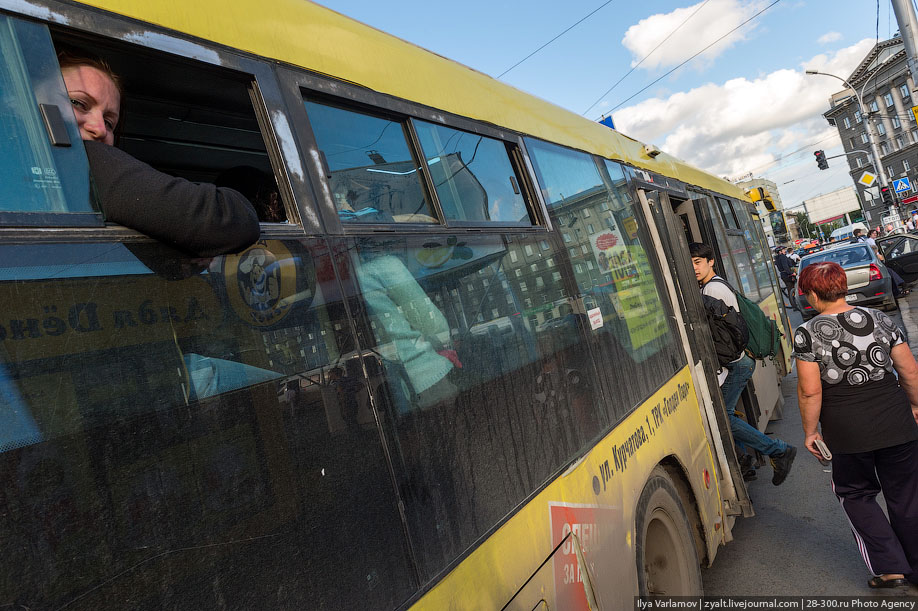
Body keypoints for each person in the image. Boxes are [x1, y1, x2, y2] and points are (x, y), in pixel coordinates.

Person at [58, 51, 260, 257]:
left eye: (110, 123)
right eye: (79, 103)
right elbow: (232, 221)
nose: (100, 129)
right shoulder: (81, 164)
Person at [793, 261, 918, 589]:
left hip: (846, 430)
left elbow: (810, 390)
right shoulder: (879, 319)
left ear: (814, 295)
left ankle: (890, 567)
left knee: (855, 494)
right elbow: (909, 371)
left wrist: (810, 432)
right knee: (907, 496)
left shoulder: (808, 333)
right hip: (897, 421)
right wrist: (916, 405)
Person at [689, 242, 797, 485]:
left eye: (698, 262)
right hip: (738, 362)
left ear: (710, 261)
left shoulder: (711, 291)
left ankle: (778, 450)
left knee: (724, 418)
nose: (694, 267)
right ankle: (744, 464)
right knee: (728, 413)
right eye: (690, 263)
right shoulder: (712, 286)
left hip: (735, 364)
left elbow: (721, 338)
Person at [773, 246, 798, 310]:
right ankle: (796, 304)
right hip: (788, 274)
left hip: (783, 275)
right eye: (783, 250)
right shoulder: (783, 256)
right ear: (780, 252)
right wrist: (791, 273)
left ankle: (794, 305)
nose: (785, 250)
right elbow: (785, 266)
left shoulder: (777, 258)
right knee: (794, 289)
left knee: (790, 290)